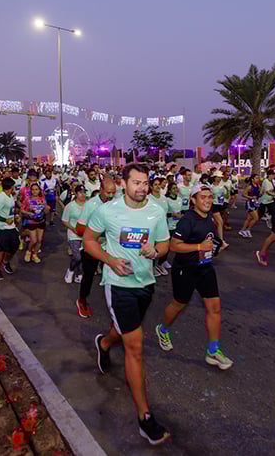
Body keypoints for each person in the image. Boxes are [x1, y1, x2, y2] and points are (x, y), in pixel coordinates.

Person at [84, 163, 171, 445]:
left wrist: (155, 251)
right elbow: (89, 241)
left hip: (145, 285)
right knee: (135, 346)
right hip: (117, 286)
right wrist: (109, 260)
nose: (141, 188)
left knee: (123, 332)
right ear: (124, 184)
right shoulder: (107, 211)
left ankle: (105, 343)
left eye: (145, 183)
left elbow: (165, 244)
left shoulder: (156, 210)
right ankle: (145, 418)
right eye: (136, 182)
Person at [155, 184, 233, 370]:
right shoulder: (187, 220)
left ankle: (213, 350)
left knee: (214, 308)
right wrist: (199, 247)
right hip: (185, 269)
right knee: (179, 304)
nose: (207, 201)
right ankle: (163, 329)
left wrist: (217, 245)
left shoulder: (210, 217)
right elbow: (174, 246)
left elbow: (209, 238)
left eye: (209, 197)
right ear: (193, 200)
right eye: (203, 197)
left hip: (205, 268)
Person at [75, 178, 118, 318]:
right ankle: (82, 300)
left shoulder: (117, 203)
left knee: (116, 274)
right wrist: (95, 236)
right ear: (101, 189)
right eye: (108, 192)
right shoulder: (91, 205)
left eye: (113, 192)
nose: (111, 196)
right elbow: (79, 228)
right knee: (88, 276)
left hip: (111, 247)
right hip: (92, 246)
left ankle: (117, 308)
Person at [0, 177, 18, 280]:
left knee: (15, 246)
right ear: (10, 187)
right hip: (0, 228)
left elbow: (9, 210)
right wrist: (5, 220)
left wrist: (15, 216)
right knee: (1, 250)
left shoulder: (10, 196)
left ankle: (6, 262)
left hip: (11, 227)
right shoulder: (1, 197)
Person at [62, 185, 87, 283]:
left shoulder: (89, 205)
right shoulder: (70, 206)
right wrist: (73, 229)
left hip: (85, 235)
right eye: (80, 192)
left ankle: (79, 274)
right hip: (73, 234)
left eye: (84, 192)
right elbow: (64, 220)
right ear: (76, 194)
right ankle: (71, 270)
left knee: (82, 257)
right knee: (77, 256)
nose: (83, 194)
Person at [20, 182, 49, 263]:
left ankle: (34, 255)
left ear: (39, 190)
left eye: (36, 189)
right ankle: (28, 252)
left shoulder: (42, 199)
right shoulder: (27, 199)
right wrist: (29, 213)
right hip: (31, 222)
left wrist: (47, 209)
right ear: (31, 191)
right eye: (33, 190)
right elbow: (22, 210)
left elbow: (45, 210)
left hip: (41, 222)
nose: (35, 191)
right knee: (34, 240)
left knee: (39, 240)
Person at [209, 171, 230, 250]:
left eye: (220, 177)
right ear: (214, 178)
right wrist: (212, 197)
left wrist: (227, 192)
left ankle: (212, 239)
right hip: (214, 206)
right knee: (220, 222)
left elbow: (226, 195)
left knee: (216, 224)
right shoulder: (211, 187)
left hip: (221, 205)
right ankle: (221, 242)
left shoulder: (222, 186)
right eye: (218, 177)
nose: (219, 178)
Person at [239, 174, 261, 238]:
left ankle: (242, 230)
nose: (258, 179)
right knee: (256, 218)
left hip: (255, 203)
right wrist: (250, 197)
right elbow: (243, 194)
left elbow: (258, 195)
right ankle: (248, 230)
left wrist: (260, 194)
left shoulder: (258, 186)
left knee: (249, 218)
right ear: (252, 179)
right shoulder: (250, 187)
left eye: (258, 178)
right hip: (250, 204)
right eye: (256, 178)